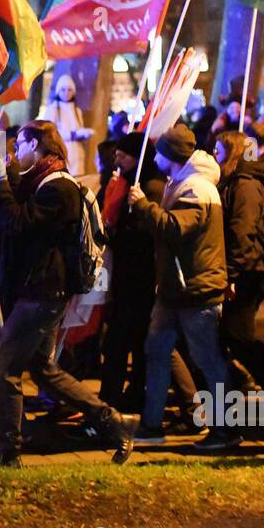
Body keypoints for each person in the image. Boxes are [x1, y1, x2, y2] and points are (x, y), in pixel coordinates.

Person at [0, 119, 133, 466]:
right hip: (38, 292)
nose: (16, 152)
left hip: (42, 294)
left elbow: (17, 223)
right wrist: (3, 171)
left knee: (4, 370)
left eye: (20, 145)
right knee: (43, 370)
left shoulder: (60, 187)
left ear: (37, 147)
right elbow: (18, 205)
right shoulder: (42, 180)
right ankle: (112, 423)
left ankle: (8, 452)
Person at [128, 124, 238, 451]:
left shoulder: (196, 189)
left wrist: (143, 205)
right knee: (157, 352)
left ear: (171, 156)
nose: (155, 158)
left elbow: (176, 229)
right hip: (176, 289)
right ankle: (151, 425)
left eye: (160, 152)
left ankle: (226, 430)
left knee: (208, 361)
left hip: (196, 290)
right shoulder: (182, 183)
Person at [96, 131, 165, 413]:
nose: (117, 159)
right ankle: (123, 397)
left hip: (140, 279)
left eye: (123, 155)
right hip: (126, 278)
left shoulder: (151, 187)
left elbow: (146, 233)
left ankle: (112, 402)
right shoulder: (125, 182)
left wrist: (115, 234)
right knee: (127, 341)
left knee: (125, 342)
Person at [215, 129, 264, 390]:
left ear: (232, 154)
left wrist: (232, 275)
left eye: (219, 151)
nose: (214, 156)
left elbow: (242, 232)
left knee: (238, 335)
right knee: (231, 335)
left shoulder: (246, 186)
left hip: (249, 270)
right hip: (245, 267)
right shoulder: (235, 183)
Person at [38, 74, 92, 175]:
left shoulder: (77, 110)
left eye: (69, 90)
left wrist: (84, 134)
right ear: (58, 91)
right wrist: (72, 134)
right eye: (63, 90)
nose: (66, 93)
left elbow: (79, 129)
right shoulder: (52, 109)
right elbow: (48, 133)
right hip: (61, 152)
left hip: (77, 153)